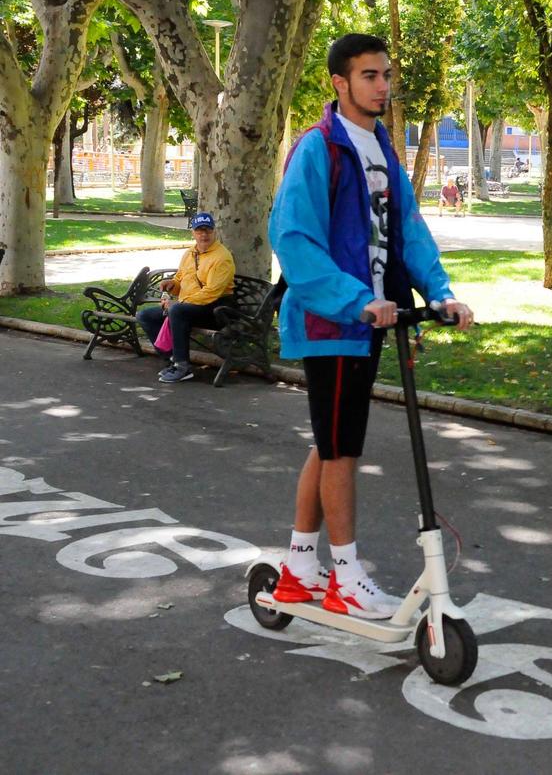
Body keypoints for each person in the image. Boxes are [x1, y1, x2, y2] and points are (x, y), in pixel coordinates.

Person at [268, 33, 474, 619]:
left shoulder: (381, 148)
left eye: (386, 75)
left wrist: (442, 292)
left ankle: (301, 565)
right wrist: (358, 299)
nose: (383, 86)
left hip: (371, 320)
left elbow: (408, 231)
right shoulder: (319, 148)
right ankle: (346, 577)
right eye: (369, 76)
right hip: (334, 321)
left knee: (330, 444)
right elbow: (295, 240)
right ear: (340, 82)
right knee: (343, 450)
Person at [136, 211, 235, 384]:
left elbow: (211, 292)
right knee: (145, 316)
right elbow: (181, 279)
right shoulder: (190, 253)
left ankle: (183, 367)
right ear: (193, 233)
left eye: (207, 230)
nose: (203, 234)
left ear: (214, 232)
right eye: (199, 230)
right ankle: (173, 360)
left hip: (217, 310)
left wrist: (178, 303)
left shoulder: (222, 257)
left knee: (177, 311)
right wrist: (172, 285)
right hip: (190, 306)